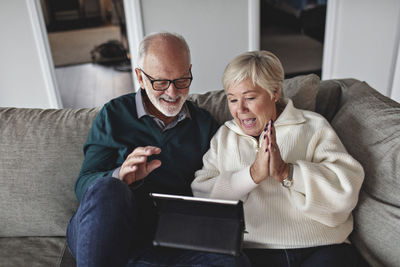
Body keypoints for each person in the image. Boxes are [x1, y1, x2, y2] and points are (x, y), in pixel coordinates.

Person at [66, 32, 250, 267]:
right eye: (161, 82)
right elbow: (83, 187)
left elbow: (218, 187)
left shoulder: (205, 125)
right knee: (107, 187)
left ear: (190, 71)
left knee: (235, 261)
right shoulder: (113, 115)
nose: (173, 93)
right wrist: (120, 176)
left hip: (167, 239)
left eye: (182, 80)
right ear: (140, 78)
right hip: (104, 234)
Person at [191, 50, 365, 267]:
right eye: (233, 99)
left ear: (274, 92)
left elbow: (345, 190)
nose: (240, 109)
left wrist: (287, 172)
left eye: (250, 98)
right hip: (251, 252)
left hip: (322, 245)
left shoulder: (313, 126)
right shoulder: (225, 137)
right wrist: (252, 175)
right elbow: (202, 197)